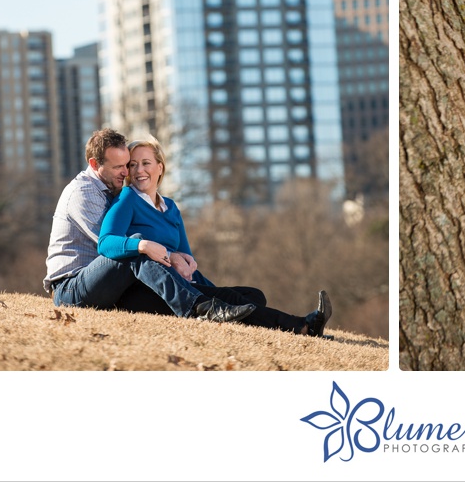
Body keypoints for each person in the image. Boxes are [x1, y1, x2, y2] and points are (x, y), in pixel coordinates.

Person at [97, 136, 331, 337]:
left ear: (160, 167)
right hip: (149, 289)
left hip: (182, 284)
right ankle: (302, 326)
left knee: (252, 296)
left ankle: (237, 317)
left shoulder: (170, 207)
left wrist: (193, 269)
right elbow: (106, 242)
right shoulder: (127, 198)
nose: (139, 171)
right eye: (133, 165)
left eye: (146, 163)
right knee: (229, 298)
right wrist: (143, 245)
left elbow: (186, 255)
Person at [44, 128, 258, 323]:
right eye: (119, 167)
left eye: (126, 165)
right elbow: (111, 244)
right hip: (70, 289)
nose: (127, 173)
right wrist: (165, 253)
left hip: (106, 282)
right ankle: (197, 308)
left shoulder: (113, 191)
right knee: (135, 246)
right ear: (94, 164)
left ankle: (219, 305)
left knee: (249, 296)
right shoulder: (84, 193)